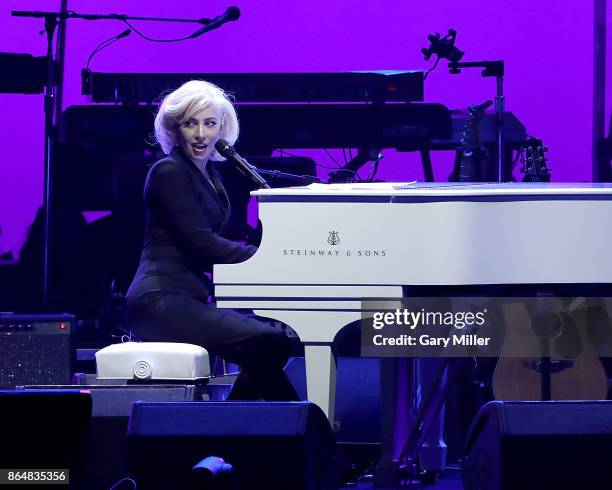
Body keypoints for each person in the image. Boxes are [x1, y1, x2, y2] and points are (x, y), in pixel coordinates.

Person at [125, 80, 299, 401]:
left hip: (185, 298)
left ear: (222, 129)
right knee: (268, 341)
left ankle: (234, 431)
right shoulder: (169, 171)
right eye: (191, 123)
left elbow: (221, 240)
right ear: (174, 129)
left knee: (269, 344)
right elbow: (202, 243)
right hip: (159, 300)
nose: (201, 134)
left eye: (209, 123)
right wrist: (266, 258)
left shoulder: (211, 176)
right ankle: (298, 433)